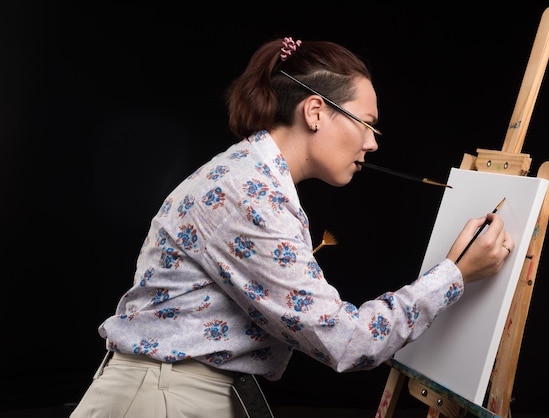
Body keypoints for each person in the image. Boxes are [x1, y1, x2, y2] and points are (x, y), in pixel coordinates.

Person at [70, 36, 514, 418]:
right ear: (316, 111)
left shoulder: (253, 180)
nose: (372, 143)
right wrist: (455, 274)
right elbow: (347, 341)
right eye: (367, 123)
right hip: (161, 401)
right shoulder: (248, 194)